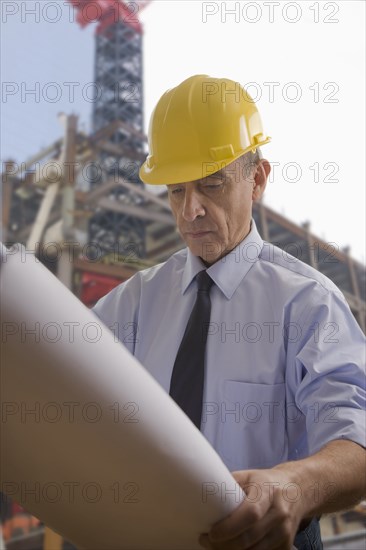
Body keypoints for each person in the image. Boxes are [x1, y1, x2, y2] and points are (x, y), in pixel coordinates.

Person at [92, 75, 366, 550]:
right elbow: (59, 373)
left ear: (256, 179)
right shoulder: (133, 302)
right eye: (176, 191)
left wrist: (296, 486)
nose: (189, 211)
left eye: (211, 184)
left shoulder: (308, 303)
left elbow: (357, 440)